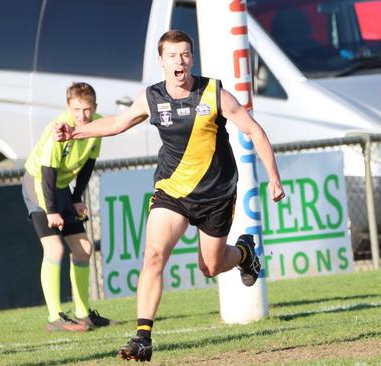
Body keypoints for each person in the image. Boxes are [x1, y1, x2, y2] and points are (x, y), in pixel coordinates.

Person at [53, 30, 285, 362]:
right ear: (161, 62)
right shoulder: (152, 97)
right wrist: (73, 133)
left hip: (216, 194)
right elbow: (117, 123)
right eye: (173, 55)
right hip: (172, 192)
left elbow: (253, 130)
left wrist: (273, 177)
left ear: (192, 58)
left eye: (186, 54)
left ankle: (245, 254)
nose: (180, 61)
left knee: (210, 265)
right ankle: (142, 337)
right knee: (153, 257)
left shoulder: (214, 93)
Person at [22, 82, 115, 331]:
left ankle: (83, 314)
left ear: (95, 107)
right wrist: (51, 211)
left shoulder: (97, 125)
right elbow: (47, 172)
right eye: (76, 109)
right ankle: (55, 318)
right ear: (67, 107)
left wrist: (76, 198)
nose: (81, 115)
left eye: (87, 109)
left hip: (62, 189)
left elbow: (88, 165)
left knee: (83, 248)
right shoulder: (59, 129)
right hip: (39, 183)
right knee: (54, 249)